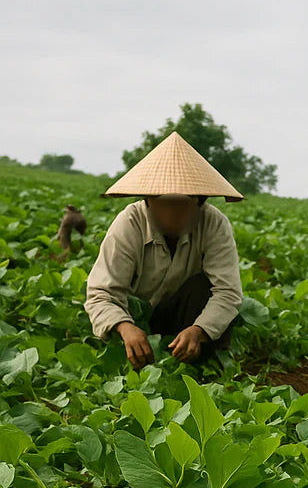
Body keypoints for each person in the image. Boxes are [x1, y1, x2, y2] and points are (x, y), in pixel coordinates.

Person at [85, 132, 244, 370]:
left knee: (203, 287)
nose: (172, 215)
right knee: (124, 331)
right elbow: (100, 294)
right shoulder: (130, 222)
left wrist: (199, 331)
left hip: (184, 318)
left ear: (199, 202)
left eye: (182, 206)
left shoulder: (214, 223)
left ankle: (202, 363)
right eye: (164, 205)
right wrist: (125, 327)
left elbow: (228, 293)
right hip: (136, 318)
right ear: (149, 201)